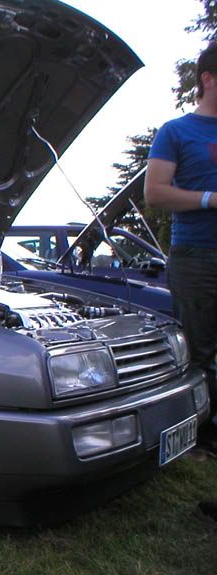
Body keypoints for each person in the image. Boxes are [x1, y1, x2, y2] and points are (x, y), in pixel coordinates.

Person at [146, 43, 217, 471]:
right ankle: (200, 437)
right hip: (197, 256)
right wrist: (210, 198)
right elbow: (154, 192)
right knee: (200, 351)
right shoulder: (176, 131)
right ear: (208, 78)